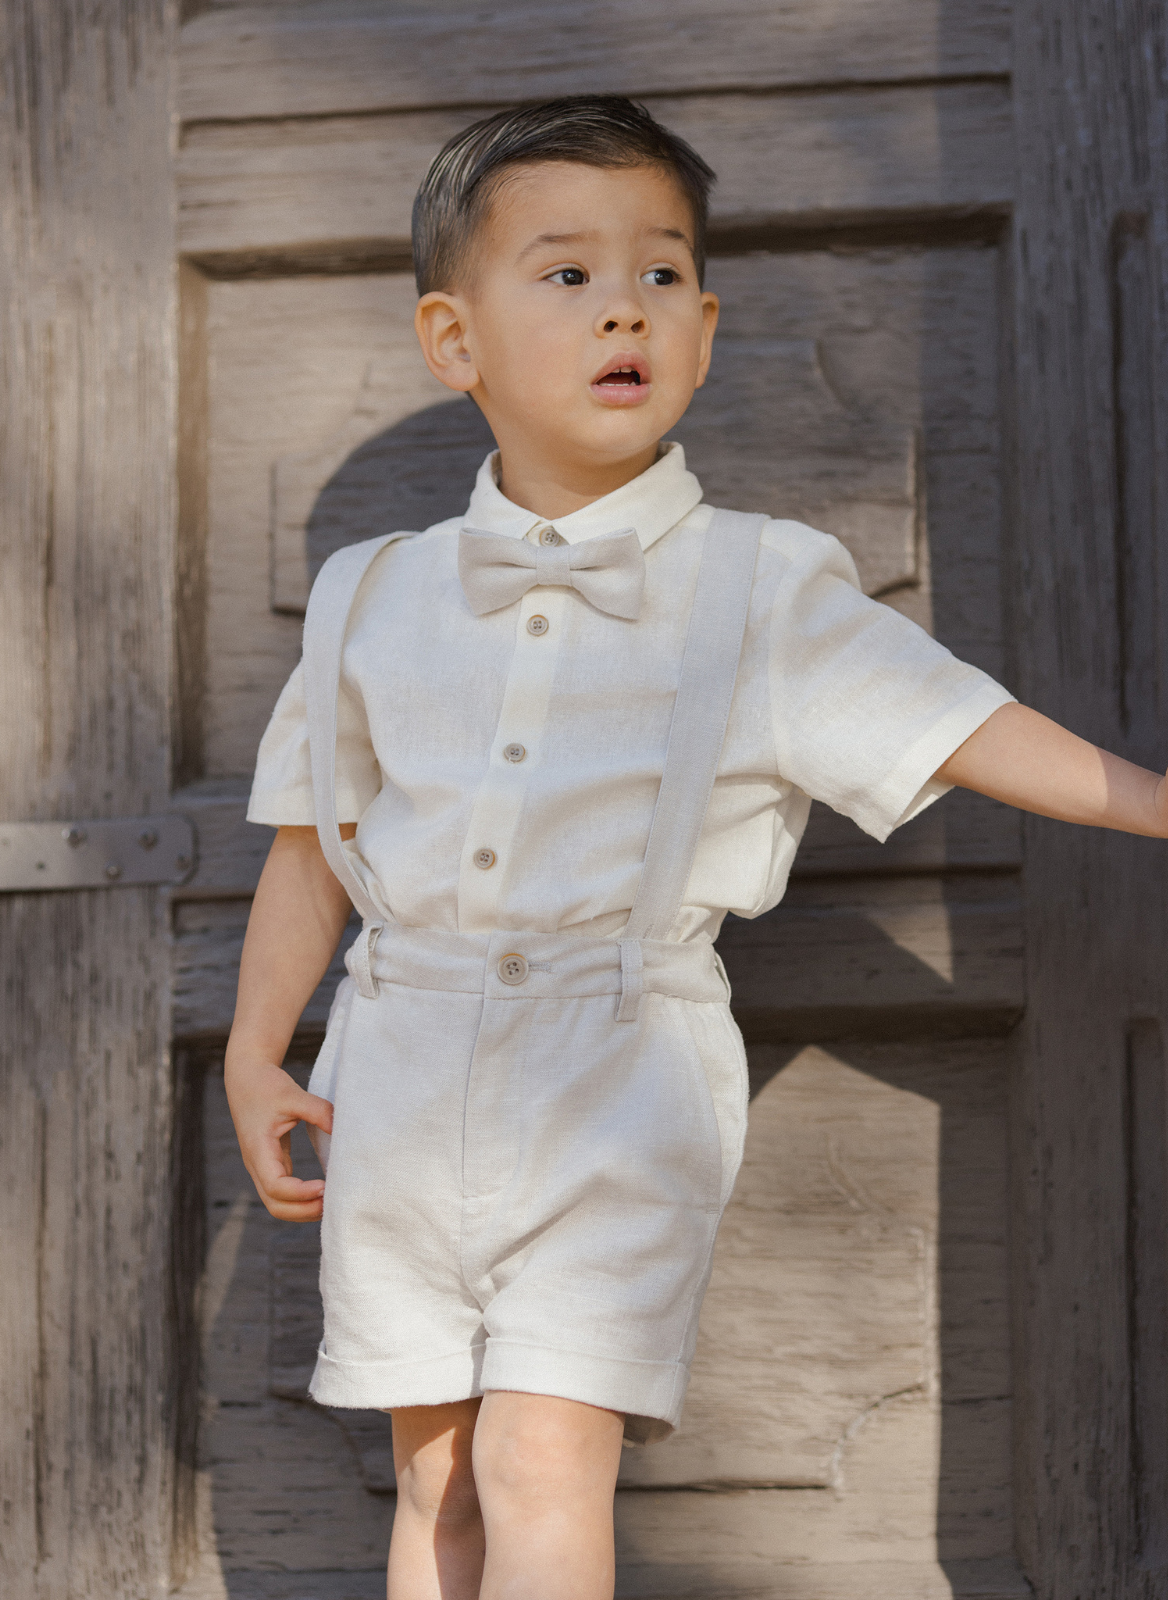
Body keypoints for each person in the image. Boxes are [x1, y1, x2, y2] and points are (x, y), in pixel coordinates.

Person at [224, 96, 1168, 1600]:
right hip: (394, 1071)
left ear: (707, 328)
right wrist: (255, 1050)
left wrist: (1154, 803)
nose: (623, 308)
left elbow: (963, 726)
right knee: (437, 1477)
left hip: (617, 1072)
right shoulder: (369, 594)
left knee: (542, 1456)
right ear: (452, 340)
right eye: (566, 273)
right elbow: (308, 853)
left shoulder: (758, 586)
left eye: (660, 275)